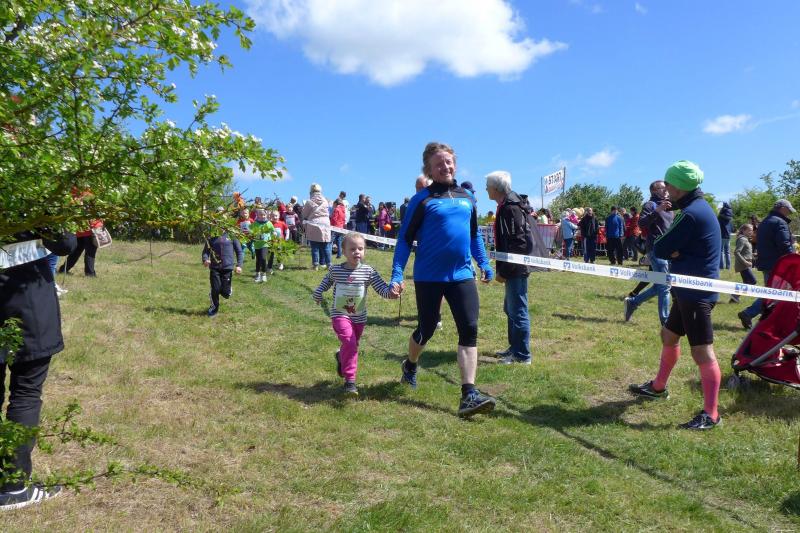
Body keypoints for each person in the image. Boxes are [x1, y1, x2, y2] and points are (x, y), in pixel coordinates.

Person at [391, 142, 495, 418]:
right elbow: (404, 240)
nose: (445, 167)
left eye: (448, 162)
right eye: (438, 164)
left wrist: (484, 263)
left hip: (462, 274)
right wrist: (397, 274)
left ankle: (469, 394)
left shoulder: (467, 197)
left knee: (469, 328)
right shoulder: (422, 199)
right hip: (429, 276)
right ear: (429, 169)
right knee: (426, 328)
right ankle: (410, 365)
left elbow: (473, 235)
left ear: (455, 164)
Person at [629, 160, 722, 430]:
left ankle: (711, 414)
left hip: (696, 293)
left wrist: (675, 251)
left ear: (680, 187)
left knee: (702, 352)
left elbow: (659, 248)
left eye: (668, 185)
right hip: (687, 289)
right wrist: (676, 251)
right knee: (669, 335)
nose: (666, 190)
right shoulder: (697, 208)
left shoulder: (690, 214)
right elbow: (667, 248)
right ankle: (658, 387)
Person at [0, 230, 76, 510]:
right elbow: (65, 242)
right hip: (26, 298)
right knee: (26, 393)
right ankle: (13, 486)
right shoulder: (37, 203)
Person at [312, 233, 400, 396]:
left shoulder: (368, 271)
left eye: (360, 248)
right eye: (352, 249)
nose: (357, 252)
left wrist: (391, 293)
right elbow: (326, 282)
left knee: (351, 345)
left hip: (359, 318)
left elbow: (381, 288)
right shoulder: (336, 270)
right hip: (340, 314)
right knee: (350, 343)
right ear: (344, 251)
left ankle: (341, 357)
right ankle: (350, 381)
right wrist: (318, 292)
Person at [486, 171, 531, 365]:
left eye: (488, 186)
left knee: (518, 311)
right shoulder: (506, 205)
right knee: (510, 309)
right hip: (512, 267)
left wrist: (504, 271)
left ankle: (522, 355)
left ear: (496, 188)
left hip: (515, 269)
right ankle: (514, 349)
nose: (486, 189)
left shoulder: (511, 208)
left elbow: (519, 244)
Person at [737, 199, 796, 329]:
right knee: (777, 294)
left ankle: (765, 319)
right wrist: (793, 260)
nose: (789, 213)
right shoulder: (780, 222)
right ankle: (749, 313)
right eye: (788, 210)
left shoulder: (764, 222)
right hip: (778, 264)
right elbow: (784, 245)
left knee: (772, 293)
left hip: (766, 262)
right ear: (782, 208)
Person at [624, 181, 674, 325]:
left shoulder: (670, 207)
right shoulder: (650, 205)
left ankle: (633, 302)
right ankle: (666, 322)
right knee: (665, 286)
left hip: (669, 251)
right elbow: (641, 223)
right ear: (654, 191)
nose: (666, 189)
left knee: (660, 285)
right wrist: (658, 210)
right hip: (656, 249)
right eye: (663, 187)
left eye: (667, 187)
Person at [202, 228, 243, 316]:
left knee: (226, 293)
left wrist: (239, 265)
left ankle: (227, 289)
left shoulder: (232, 236)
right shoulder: (211, 237)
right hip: (215, 268)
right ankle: (214, 308)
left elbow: (239, 252)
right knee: (215, 289)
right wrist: (205, 260)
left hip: (227, 268)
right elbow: (205, 251)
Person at [302, 183, 332, 270]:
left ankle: (315, 265)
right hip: (325, 224)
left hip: (314, 224)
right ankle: (329, 265)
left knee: (315, 247)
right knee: (326, 246)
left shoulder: (309, 202)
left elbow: (304, 214)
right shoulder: (326, 201)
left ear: (311, 192)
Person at [730, 223, 756, 304]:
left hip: (746, 265)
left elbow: (745, 252)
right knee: (752, 281)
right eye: (749, 230)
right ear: (744, 230)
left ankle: (734, 298)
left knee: (747, 282)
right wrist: (745, 262)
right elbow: (736, 252)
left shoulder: (746, 239)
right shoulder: (742, 239)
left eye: (752, 230)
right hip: (743, 265)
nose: (751, 232)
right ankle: (734, 296)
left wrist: (753, 255)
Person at [250, 209, 273, 282]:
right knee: (258, 259)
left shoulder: (268, 223)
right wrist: (252, 234)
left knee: (263, 258)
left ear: (266, 215)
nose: (263, 216)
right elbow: (250, 230)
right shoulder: (255, 223)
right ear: (258, 215)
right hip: (257, 244)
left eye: (264, 215)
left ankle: (264, 274)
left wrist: (274, 235)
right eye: (261, 215)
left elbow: (273, 230)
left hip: (265, 244)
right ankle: (257, 274)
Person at [718, 201, 733, 270]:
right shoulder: (730, 216)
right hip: (728, 235)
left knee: (721, 251)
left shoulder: (720, 216)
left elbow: (718, 225)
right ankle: (728, 266)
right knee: (727, 252)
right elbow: (731, 227)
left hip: (722, 234)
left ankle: (721, 266)